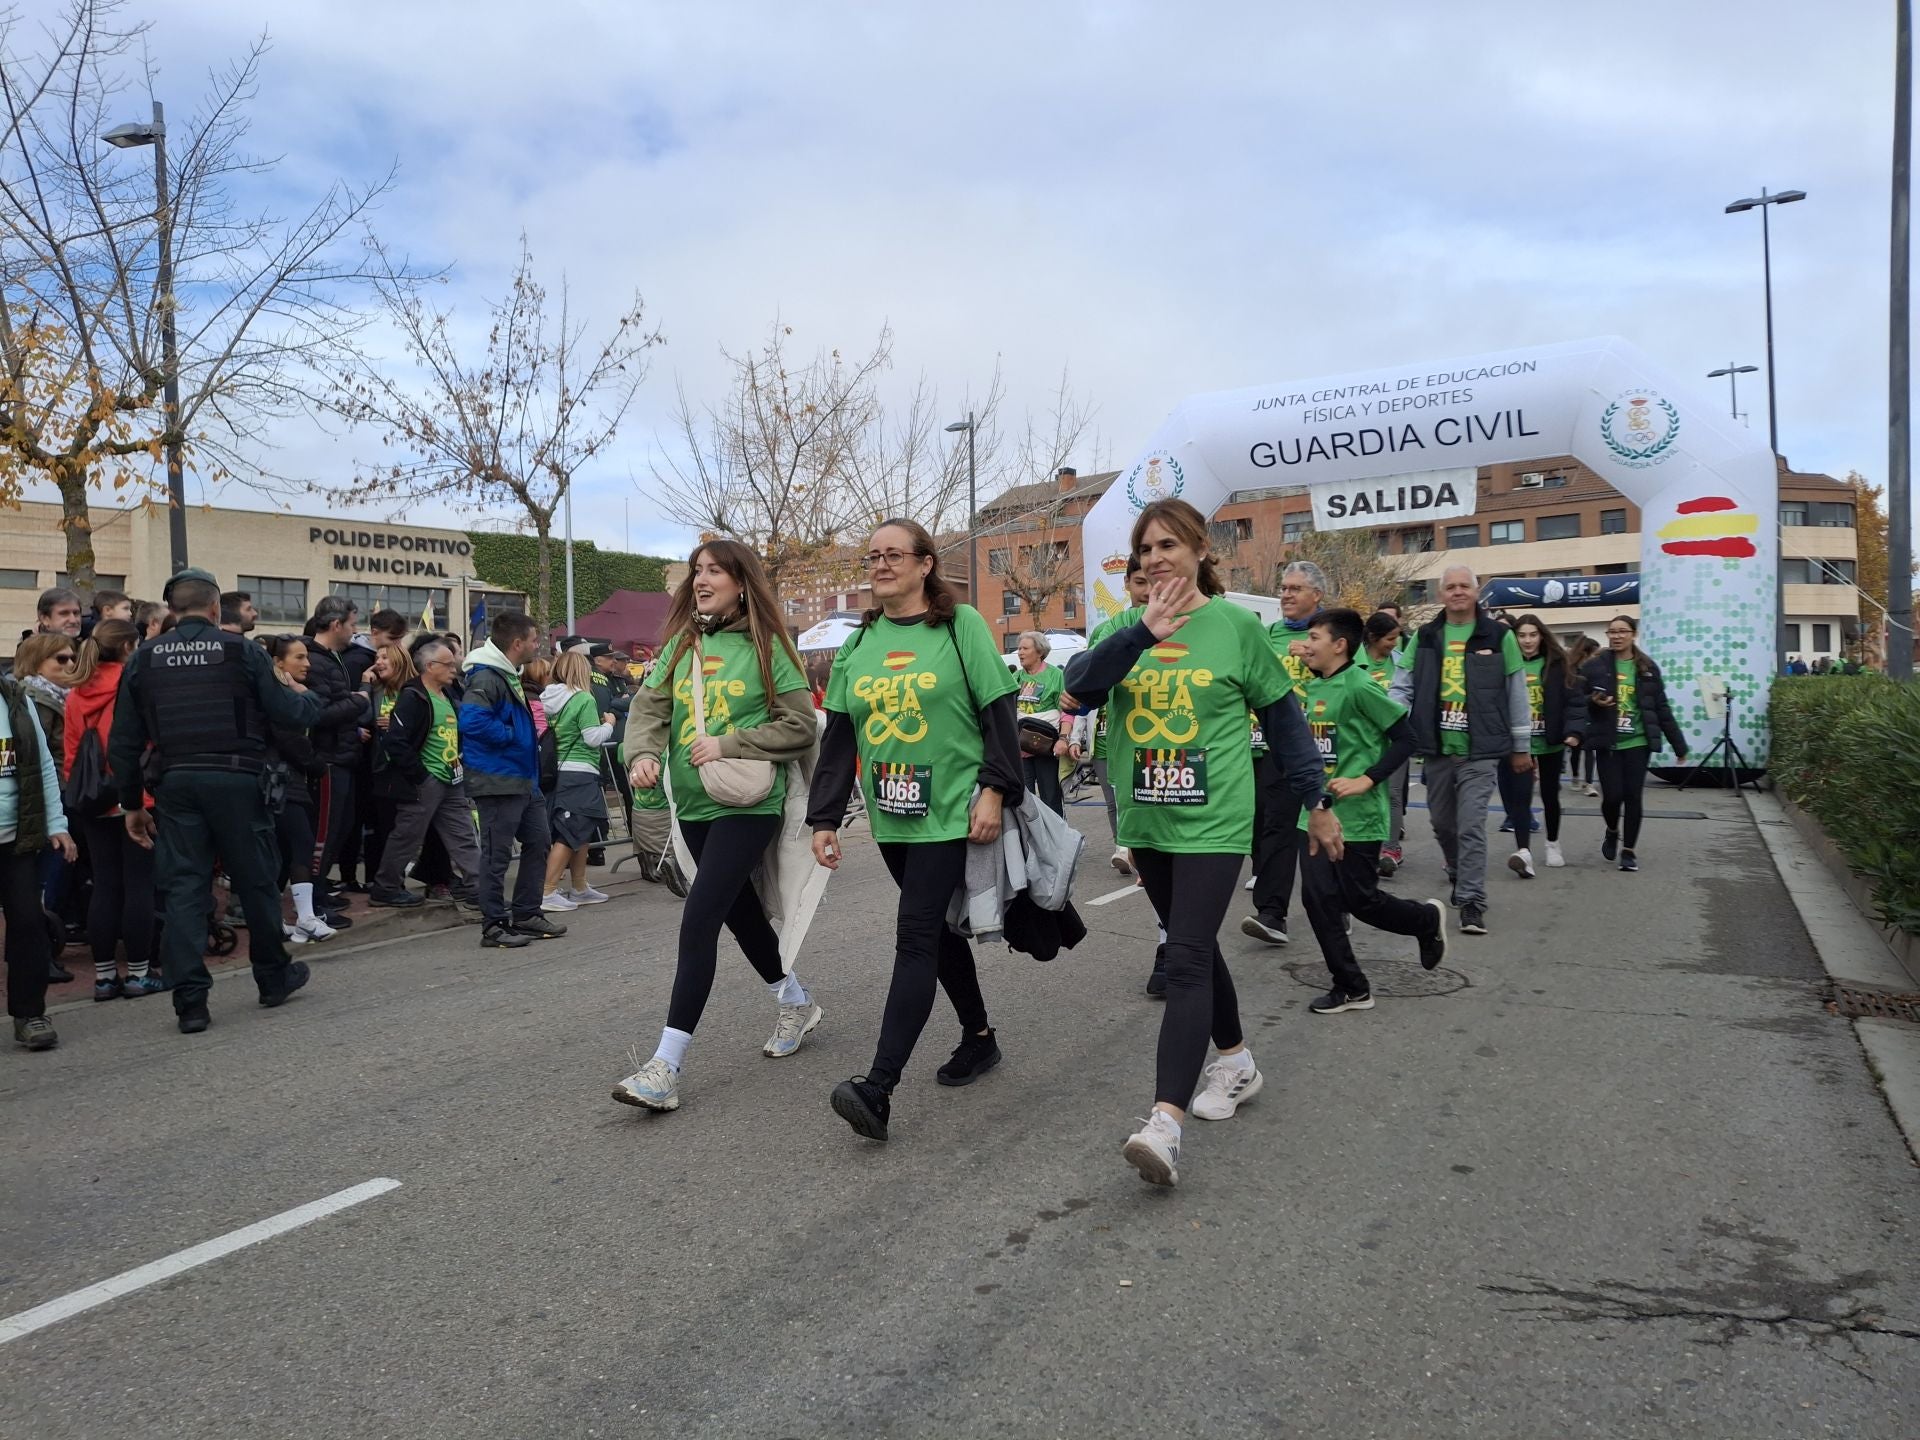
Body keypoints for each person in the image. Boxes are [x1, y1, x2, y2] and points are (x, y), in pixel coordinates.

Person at [1063, 499, 1340, 1187]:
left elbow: (1284, 721)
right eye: (1143, 550)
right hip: (1149, 823)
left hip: (1216, 820)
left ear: (1199, 549)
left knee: (1184, 956)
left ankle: (1164, 1124)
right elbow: (1079, 690)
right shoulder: (1127, 625)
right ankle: (1238, 1061)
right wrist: (1142, 632)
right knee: (1198, 945)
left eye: (1167, 545)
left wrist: (1318, 800)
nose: (1155, 559)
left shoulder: (1237, 628)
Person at [809, 518, 1023, 1143]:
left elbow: (998, 710)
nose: (879, 565)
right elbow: (840, 735)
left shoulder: (962, 628)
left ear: (925, 564)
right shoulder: (859, 642)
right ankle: (980, 1038)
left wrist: (994, 788)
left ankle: (878, 1086)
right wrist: (824, 816)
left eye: (893, 555)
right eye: (872, 557)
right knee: (937, 931)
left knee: (914, 936)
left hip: (951, 810)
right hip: (892, 815)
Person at [613, 540, 821, 1112]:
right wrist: (641, 757)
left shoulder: (769, 646)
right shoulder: (682, 646)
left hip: (750, 802)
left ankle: (665, 1068)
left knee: (699, 918)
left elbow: (800, 725)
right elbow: (649, 711)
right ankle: (795, 1000)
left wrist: (729, 742)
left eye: (715, 572)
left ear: (741, 582)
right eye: (696, 572)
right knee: (741, 915)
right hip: (695, 806)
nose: (701, 580)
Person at [108, 568, 323, 1033]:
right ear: (212, 609)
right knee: (256, 882)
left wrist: (132, 805)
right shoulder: (242, 651)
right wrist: (312, 702)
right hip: (239, 782)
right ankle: (272, 977)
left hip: (177, 785)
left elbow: (123, 743)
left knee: (184, 889)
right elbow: (287, 712)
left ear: (172, 611)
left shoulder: (143, 659)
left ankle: (190, 1002)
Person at [1293, 607, 1447, 1014]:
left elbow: (1405, 739)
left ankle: (1424, 921)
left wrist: (1367, 779)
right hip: (1314, 814)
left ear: (1339, 645)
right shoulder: (1317, 686)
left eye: (1314, 639)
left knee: (1360, 901)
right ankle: (1351, 986)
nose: (1307, 646)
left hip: (1358, 817)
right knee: (1317, 899)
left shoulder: (1361, 686)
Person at [1389, 565, 1531, 937]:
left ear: (1476, 590)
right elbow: (1401, 687)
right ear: (1440, 594)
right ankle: (1456, 869)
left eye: (1463, 586)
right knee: (1442, 825)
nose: (1457, 592)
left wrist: (1521, 747)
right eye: (1450, 587)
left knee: (1471, 826)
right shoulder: (1426, 636)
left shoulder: (1499, 636)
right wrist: (1391, 721)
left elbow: (1517, 695)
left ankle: (1471, 901)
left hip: (1479, 752)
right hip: (1435, 749)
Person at [64, 620, 163, 999]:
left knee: (105, 885)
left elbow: (71, 754)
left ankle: (105, 977)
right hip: (135, 797)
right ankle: (139, 973)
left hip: (91, 798)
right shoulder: (132, 684)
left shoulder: (76, 693)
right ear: (127, 647)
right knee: (139, 885)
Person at [459, 610, 564, 948]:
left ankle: (527, 913)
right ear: (518, 643)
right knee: (497, 855)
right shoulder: (487, 677)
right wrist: (515, 736)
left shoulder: (506, 673)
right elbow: (472, 722)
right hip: (498, 780)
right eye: (535, 639)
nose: (538, 645)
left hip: (521, 779)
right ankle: (493, 925)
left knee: (539, 841)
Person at [1242, 559, 1323, 947]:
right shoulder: (1266, 634)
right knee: (1276, 827)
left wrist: (1316, 659)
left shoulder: (1334, 633)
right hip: (1275, 749)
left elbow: (1354, 680)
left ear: (1316, 595)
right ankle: (1272, 913)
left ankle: (1337, 904)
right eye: (1284, 588)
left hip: (1327, 750)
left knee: (1320, 830)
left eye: (1295, 589)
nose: (1286, 594)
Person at [1, 659, 77, 1050]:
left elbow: (45, 765)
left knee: (29, 923)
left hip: (16, 838)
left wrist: (57, 824)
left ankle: (30, 1014)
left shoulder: (15, 699)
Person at [371, 640, 481, 908]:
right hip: (426, 781)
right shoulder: (413, 697)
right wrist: (420, 775)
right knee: (408, 835)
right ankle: (385, 887)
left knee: (464, 834)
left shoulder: (448, 697)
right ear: (430, 667)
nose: (454, 667)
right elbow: (395, 740)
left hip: (451, 779)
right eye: (447, 664)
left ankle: (480, 888)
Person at [1580, 615, 1688, 873]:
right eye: (1612, 632)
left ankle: (1628, 851)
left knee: (1633, 796)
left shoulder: (1647, 668)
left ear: (1633, 634)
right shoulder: (1595, 666)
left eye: (1622, 631)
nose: (1616, 636)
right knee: (1612, 797)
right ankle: (1612, 829)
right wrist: (1592, 702)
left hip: (1638, 742)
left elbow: (1660, 707)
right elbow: (1576, 696)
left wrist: (1678, 744)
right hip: (1608, 742)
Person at [1068, 557, 1153, 875]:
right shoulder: (1108, 630)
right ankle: (1125, 846)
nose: (1147, 591)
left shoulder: (1190, 626)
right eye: (1140, 582)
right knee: (1116, 800)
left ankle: (1136, 851)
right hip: (1119, 741)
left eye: (1153, 581)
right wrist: (1076, 709)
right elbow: (1087, 688)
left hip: (1172, 746)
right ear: (1127, 584)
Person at [1501, 615, 1588, 875]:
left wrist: (1573, 732)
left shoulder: (1557, 665)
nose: (1527, 641)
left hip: (1549, 742)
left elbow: (1574, 702)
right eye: (1522, 635)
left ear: (1541, 636)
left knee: (1550, 796)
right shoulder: (1507, 664)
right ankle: (1523, 852)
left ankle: (1552, 843)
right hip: (1518, 744)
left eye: (1533, 635)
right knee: (1520, 797)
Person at [264, 636, 335, 943]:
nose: (307, 664)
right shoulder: (277, 695)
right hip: (280, 780)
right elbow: (291, 738)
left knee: (283, 851)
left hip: (285, 778)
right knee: (300, 842)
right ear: (279, 662)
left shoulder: (285, 692)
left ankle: (275, 920)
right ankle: (305, 917)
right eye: (299, 657)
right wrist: (316, 764)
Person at [537, 650, 613, 912]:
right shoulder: (583, 699)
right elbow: (592, 737)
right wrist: (610, 725)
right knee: (572, 832)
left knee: (578, 830)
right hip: (581, 770)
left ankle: (579, 886)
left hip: (558, 771)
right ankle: (547, 891)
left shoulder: (548, 698)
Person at [13, 633, 76, 922]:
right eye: (61, 659)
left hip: (64, 788)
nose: (70, 664)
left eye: (73, 657)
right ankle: (46, 925)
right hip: (50, 792)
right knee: (51, 864)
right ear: (37, 664)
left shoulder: (62, 695)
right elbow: (38, 756)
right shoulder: (33, 699)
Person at [1361, 611, 1412, 876]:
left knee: (1392, 793)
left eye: (1397, 638)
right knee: (1364, 792)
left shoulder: (1401, 662)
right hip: (1362, 739)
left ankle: (1391, 850)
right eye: (1390, 638)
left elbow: (1408, 696)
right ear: (1372, 637)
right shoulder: (1355, 662)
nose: (1394, 643)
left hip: (1393, 738)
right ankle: (1365, 847)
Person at [1013, 630, 1065, 814]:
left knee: (1050, 799)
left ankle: (1056, 841)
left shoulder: (1055, 675)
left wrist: (1064, 739)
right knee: (1024, 800)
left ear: (1040, 652)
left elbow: (1066, 711)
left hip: (1047, 749)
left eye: (1025, 648)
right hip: (1020, 750)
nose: (1020, 652)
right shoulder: (1016, 678)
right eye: (1019, 648)